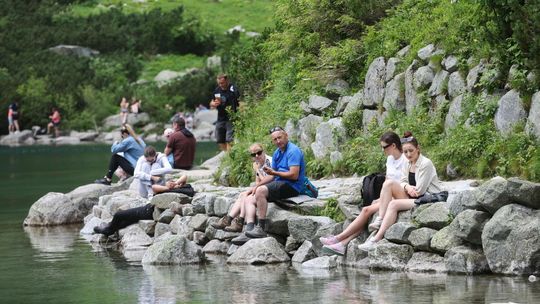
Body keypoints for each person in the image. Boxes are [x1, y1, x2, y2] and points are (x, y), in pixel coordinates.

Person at [320, 131, 407, 255]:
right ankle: (341, 244)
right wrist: (381, 197)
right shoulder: (389, 159)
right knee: (367, 210)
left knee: (367, 210)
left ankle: (338, 238)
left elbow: (405, 182)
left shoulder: (405, 159)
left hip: (400, 195)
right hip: (389, 194)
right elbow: (387, 180)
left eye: (384, 147)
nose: (383, 150)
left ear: (393, 146)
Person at [358, 131, 444, 250]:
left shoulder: (426, 163)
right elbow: (403, 181)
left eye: (411, 151)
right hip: (413, 195)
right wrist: (407, 187)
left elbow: (420, 190)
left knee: (393, 204)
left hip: (429, 197)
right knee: (388, 183)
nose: (408, 154)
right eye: (405, 152)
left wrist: (408, 187)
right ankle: (380, 219)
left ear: (418, 149)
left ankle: (376, 239)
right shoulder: (408, 163)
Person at [232, 127, 307, 244]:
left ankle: (261, 228)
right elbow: (271, 176)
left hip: (292, 186)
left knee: (261, 191)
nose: (278, 141)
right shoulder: (277, 153)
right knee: (250, 198)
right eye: (275, 139)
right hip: (280, 182)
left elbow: (294, 175)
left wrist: (274, 174)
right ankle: (249, 231)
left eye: (279, 138)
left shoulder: (293, 151)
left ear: (286, 136)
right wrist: (255, 187)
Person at [94, 175, 194, 238]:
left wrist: (168, 186)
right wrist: (176, 183)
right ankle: (110, 227)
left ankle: (108, 230)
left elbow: (154, 188)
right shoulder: (187, 190)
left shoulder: (168, 191)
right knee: (128, 221)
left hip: (149, 210)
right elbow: (184, 176)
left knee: (119, 214)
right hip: (152, 210)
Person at [212, 143, 273, 233]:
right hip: (262, 189)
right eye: (253, 154)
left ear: (263, 151)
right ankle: (230, 220)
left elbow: (269, 181)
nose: (256, 156)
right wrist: (254, 187)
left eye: (259, 153)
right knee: (243, 194)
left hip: (269, 190)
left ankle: (236, 222)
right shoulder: (258, 163)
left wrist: (257, 171)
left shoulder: (270, 162)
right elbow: (257, 182)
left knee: (246, 197)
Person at [209, 74, 240, 151]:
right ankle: (227, 154)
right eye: (219, 83)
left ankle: (230, 156)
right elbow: (211, 102)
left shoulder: (232, 88)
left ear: (227, 81)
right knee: (220, 140)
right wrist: (213, 104)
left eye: (222, 83)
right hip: (220, 118)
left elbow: (239, 99)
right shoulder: (217, 90)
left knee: (229, 139)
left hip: (231, 117)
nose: (220, 85)